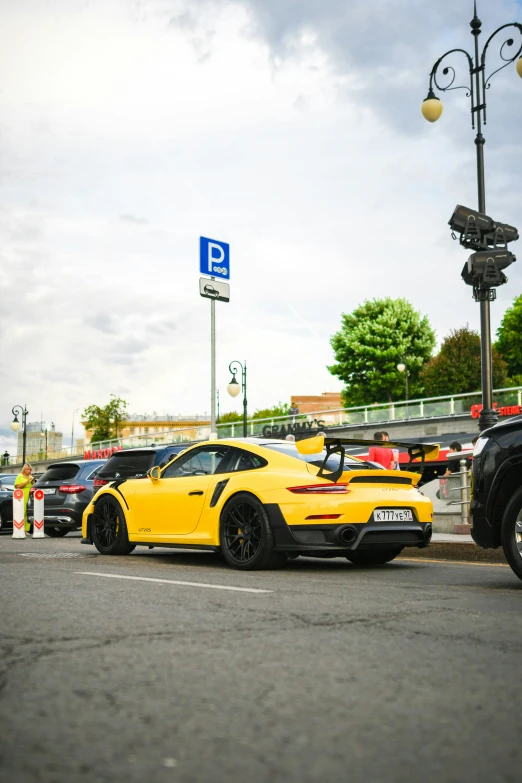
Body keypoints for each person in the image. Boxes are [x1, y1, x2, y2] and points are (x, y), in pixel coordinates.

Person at [14, 463, 36, 533]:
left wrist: (33, 482)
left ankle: (26, 530)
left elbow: (34, 485)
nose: (28, 471)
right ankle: (20, 528)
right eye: (27, 469)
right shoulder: (19, 476)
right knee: (21, 512)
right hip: (22, 495)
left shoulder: (31, 476)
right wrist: (27, 481)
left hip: (30, 495)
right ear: (24, 469)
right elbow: (17, 486)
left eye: (30, 469)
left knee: (28, 513)